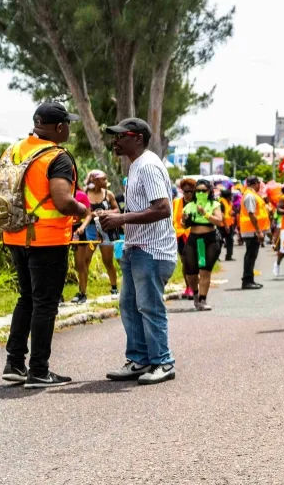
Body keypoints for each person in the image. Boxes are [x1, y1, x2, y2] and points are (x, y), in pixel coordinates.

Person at [0, 102, 89, 388]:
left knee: (27, 298)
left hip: (15, 235)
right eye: (68, 125)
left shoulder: (13, 150)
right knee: (45, 305)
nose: (70, 129)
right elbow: (62, 201)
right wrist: (84, 211)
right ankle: (38, 370)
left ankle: (14, 364)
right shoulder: (57, 157)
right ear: (59, 127)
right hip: (47, 239)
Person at [99, 118, 179, 385]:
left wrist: (121, 220)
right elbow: (142, 208)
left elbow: (162, 209)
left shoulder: (148, 165)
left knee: (149, 306)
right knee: (129, 306)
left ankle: (163, 362)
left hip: (153, 251)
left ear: (138, 138)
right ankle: (140, 360)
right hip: (136, 248)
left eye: (121, 135)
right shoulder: (135, 167)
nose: (116, 140)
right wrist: (116, 215)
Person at [69, 170, 121, 303]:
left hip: (105, 229)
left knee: (107, 260)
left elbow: (117, 210)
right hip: (90, 230)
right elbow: (85, 212)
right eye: (103, 179)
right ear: (95, 181)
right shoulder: (85, 193)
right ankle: (82, 291)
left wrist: (105, 212)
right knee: (85, 261)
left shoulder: (108, 194)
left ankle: (114, 287)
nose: (105, 182)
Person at [181, 179, 224, 311]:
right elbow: (183, 224)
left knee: (205, 270)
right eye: (198, 191)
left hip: (210, 239)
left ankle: (203, 299)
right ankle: (195, 294)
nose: (200, 193)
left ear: (209, 191)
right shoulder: (189, 205)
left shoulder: (214, 204)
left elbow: (219, 221)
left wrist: (205, 213)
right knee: (191, 272)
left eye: (203, 191)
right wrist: (184, 220)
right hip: (194, 239)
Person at [238, 176, 268, 290]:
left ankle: (249, 280)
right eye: (259, 183)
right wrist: (258, 231)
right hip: (252, 230)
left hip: (252, 230)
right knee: (250, 255)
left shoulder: (251, 194)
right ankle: (247, 281)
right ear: (255, 183)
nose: (260, 185)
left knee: (251, 255)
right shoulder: (250, 196)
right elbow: (251, 214)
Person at [173, 178, 196, 299]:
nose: (188, 194)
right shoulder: (176, 202)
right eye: (186, 191)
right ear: (182, 191)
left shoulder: (198, 203)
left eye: (191, 191)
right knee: (185, 262)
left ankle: (195, 286)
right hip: (180, 236)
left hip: (195, 235)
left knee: (195, 262)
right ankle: (188, 287)